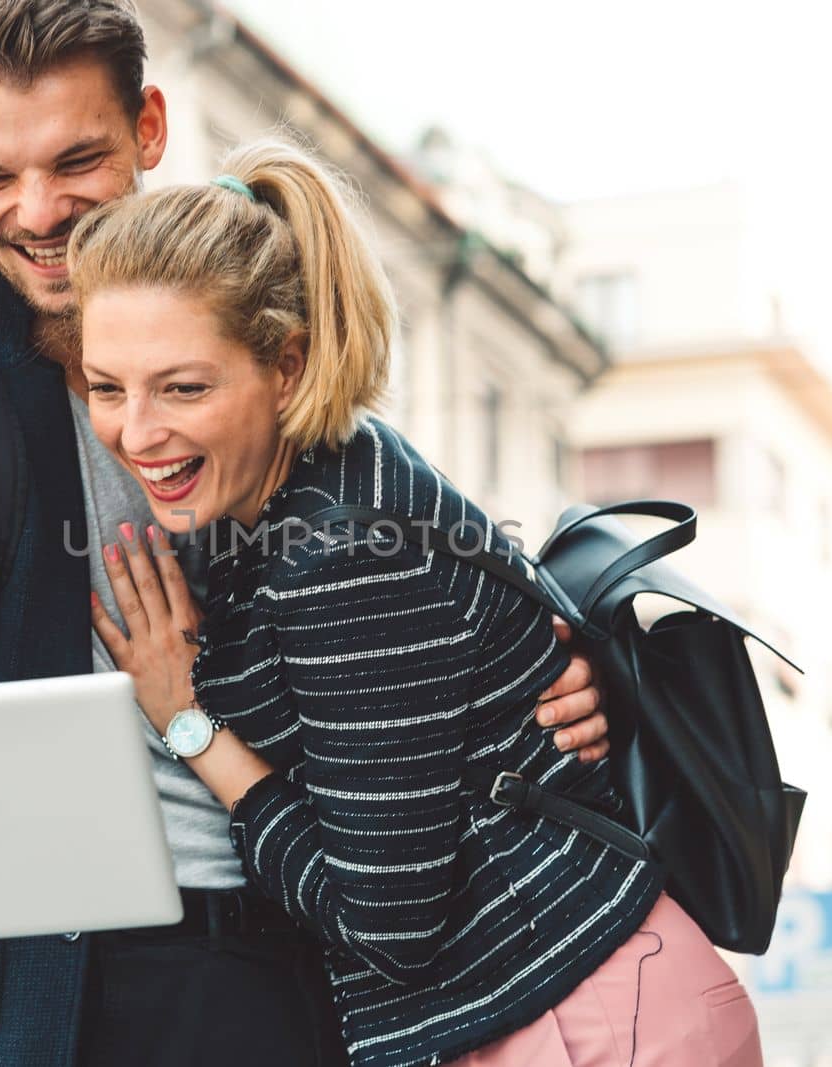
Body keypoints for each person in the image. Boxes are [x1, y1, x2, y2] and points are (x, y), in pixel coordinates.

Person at [0, 2, 612, 1064]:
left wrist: (565, 668)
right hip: (77, 989)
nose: (40, 211)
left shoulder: (253, 322)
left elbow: (446, 571)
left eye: (77, 159)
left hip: (340, 981)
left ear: (149, 126)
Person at [69, 139, 765, 1067]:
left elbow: (390, 925)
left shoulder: (337, 555)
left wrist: (187, 719)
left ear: (286, 365)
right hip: (576, 999)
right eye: (107, 388)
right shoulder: (328, 472)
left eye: (183, 387)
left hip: (577, 1023)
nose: (137, 431)